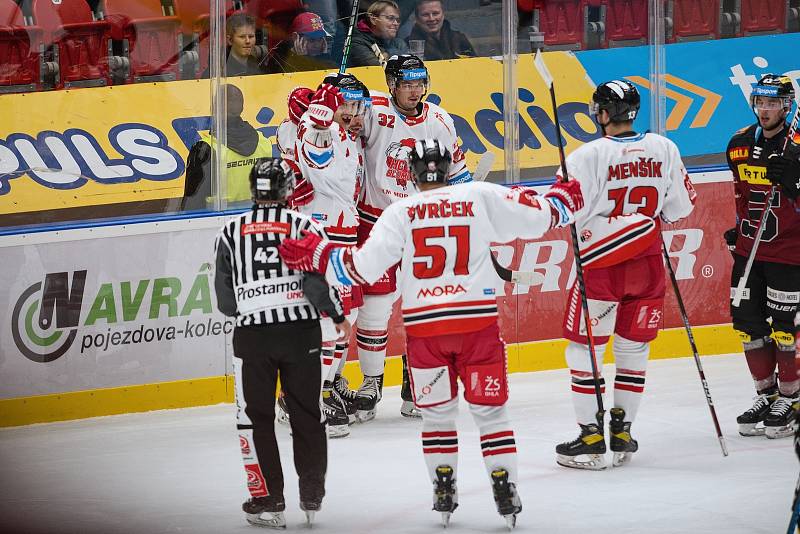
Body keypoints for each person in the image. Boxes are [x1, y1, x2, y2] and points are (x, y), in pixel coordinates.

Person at [277, 138, 584, 528]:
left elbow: (362, 269)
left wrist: (320, 256)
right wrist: (562, 199)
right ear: (449, 167)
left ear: (412, 173)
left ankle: (443, 487)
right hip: (477, 327)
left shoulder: (399, 212)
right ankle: (504, 485)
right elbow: (541, 217)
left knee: (437, 418)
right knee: (491, 415)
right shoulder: (479, 196)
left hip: (426, 331)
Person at [554, 80, 697, 470]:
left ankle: (590, 436)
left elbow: (566, 211)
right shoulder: (664, 147)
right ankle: (621, 431)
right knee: (633, 351)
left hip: (601, 268)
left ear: (602, 113)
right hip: (649, 265)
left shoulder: (587, 155)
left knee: (584, 350)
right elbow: (680, 208)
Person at [214, 157, 351, 528]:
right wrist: (337, 317)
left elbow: (225, 302)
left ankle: (268, 499)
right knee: (307, 412)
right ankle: (311, 491)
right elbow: (316, 283)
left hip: (252, 337)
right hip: (300, 333)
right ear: (289, 189)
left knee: (255, 419)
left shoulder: (229, 231)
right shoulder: (304, 225)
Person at [351, 54, 472, 422]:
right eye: (406, 84)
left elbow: (458, 175)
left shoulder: (439, 119)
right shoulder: (372, 108)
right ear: (392, 85)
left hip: (422, 225)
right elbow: (338, 107)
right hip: (376, 221)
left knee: (423, 308)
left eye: (419, 83)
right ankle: (371, 384)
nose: (414, 90)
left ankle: (414, 382)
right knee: (374, 308)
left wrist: (468, 218)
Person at [284, 73, 371, 436]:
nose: (353, 114)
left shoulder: (349, 137)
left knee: (343, 320)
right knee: (322, 325)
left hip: (343, 236)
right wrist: (319, 119)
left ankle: (322, 389)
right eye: (347, 106)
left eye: (358, 108)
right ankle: (300, 402)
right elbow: (317, 156)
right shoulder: (318, 128)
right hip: (319, 238)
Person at [726, 74, 800, 439]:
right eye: (760, 103)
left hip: (790, 253)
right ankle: (766, 394)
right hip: (749, 251)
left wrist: (796, 184)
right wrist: (736, 227)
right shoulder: (739, 143)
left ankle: (792, 397)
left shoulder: (797, 147)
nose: (765, 110)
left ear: (787, 107)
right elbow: (741, 193)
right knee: (747, 325)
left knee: (787, 331)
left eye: (773, 103)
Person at [182, 83, 272, 211]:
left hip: (217, 223)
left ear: (214, 108)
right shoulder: (264, 143)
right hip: (254, 221)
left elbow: (191, 205)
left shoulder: (205, 149)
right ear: (242, 108)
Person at [267, 12, 338, 74]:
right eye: (312, 40)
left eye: (319, 39)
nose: (317, 45)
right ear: (295, 37)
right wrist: (301, 60)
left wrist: (325, 57)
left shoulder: (327, 60)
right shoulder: (278, 61)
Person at [405, 0, 475, 61]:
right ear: (417, 18)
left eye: (435, 13)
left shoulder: (459, 39)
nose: (431, 19)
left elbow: (475, 66)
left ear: (443, 14)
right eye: (425, 15)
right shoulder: (407, 45)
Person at [346, 0, 409, 68]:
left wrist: (388, 54)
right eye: (390, 18)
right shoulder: (357, 42)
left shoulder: (399, 43)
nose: (396, 23)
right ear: (373, 20)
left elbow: (409, 64)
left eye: (398, 20)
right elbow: (379, 68)